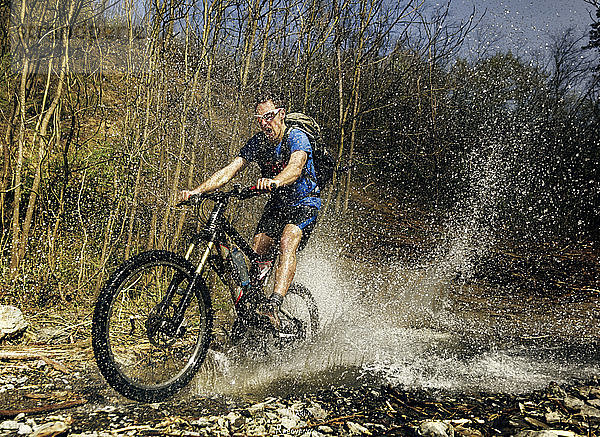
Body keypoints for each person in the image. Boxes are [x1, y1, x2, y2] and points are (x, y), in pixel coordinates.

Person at [178, 93, 321, 329]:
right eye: (260, 119)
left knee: (287, 240)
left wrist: (275, 181)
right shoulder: (258, 142)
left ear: (281, 114)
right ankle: (252, 311)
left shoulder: (296, 137)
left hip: (304, 202)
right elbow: (230, 170)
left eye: (269, 116)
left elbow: (296, 167)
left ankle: (273, 304)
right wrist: (197, 191)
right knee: (258, 249)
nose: (265, 123)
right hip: (278, 205)